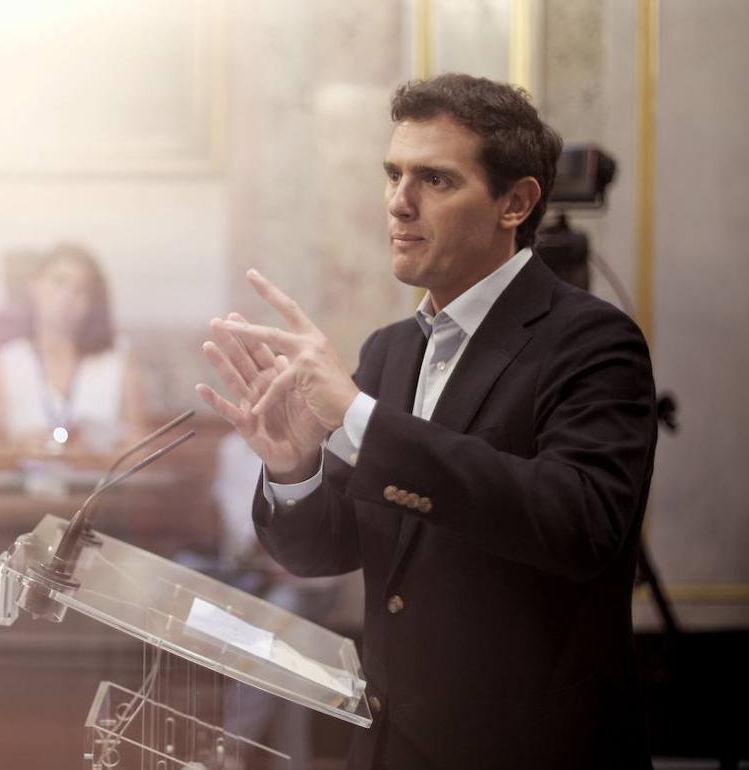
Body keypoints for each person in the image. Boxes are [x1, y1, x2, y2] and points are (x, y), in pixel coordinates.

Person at [197, 73, 657, 769]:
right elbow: (327, 550)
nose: (398, 202)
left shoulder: (593, 341)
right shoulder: (391, 351)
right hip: (392, 749)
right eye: (393, 175)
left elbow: (579, 524)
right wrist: (293, 468)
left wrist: (359, 417)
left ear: (515, 203)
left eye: (434, 180)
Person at [0, 242, 147, 469]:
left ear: (92, 302)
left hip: (100, 491)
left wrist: (92, 459)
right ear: (34, 285)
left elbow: (142, 460)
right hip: (26, 490)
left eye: (81, 290)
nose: (68, 297)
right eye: (59, 282)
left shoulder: (118, 360)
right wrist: (18, 451)